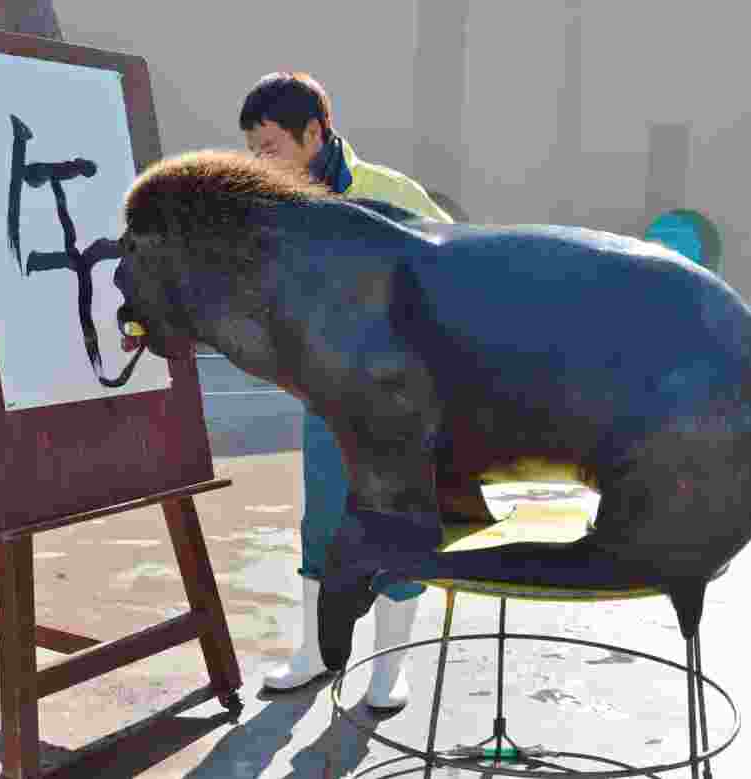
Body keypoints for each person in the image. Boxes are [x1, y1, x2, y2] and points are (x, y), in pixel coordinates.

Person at [239, 71, 453, 710]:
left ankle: (389, 669)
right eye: (253, 149)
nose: (259, 161)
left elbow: (453, 274)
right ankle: (316, 654)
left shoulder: (388, 193)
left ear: (315, 133)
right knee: (324, 526)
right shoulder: (276, 203)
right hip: (325, 400)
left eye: (270, 146)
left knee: (399, 529)